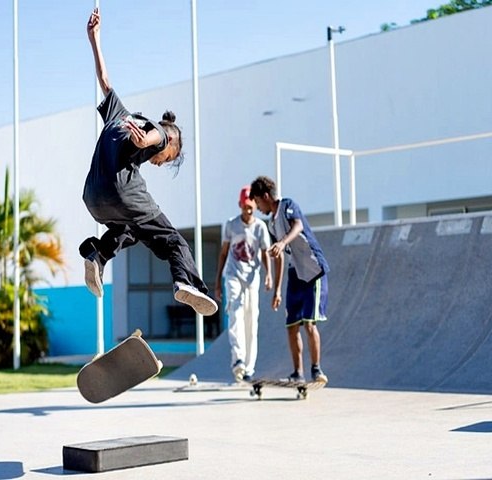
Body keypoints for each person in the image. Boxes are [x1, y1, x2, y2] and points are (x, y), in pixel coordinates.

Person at [79, 8, 217, 317]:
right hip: (123, 192)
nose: (159, 163)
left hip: (92, 197)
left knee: (128, 229)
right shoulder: (160, 132)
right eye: (166, 161)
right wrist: (148, 142)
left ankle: (97, 254)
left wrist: (94, 39)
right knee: (175, 242)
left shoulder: (118, 112)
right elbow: (160, 134)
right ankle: (186, 282)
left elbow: (104, 79)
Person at [249, 176, 329, 383]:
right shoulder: (272, 224)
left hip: (312, 270)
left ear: (265, 196)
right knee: (292, 325)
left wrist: (283, 242)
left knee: (309, 324)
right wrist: (277, 290)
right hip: (295, 274)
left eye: (257, 202)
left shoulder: (287, 205)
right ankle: (298, 373)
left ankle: (317, 370)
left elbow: (298, 226)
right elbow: (279, 256)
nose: (257, 207)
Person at [215, 186, 272, 382]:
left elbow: (265, 252)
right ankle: (237, 359)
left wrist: (269, 275)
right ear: (240, 205)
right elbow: (223, 253)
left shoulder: (260, 228)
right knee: (235, 315)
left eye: (251, 207)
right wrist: (217, 283)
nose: (248, 210)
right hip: (233, 275)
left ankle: (249, 368)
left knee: (251, 321)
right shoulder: (231, 225)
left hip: (252, 279)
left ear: (255, 206)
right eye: (245, 207)